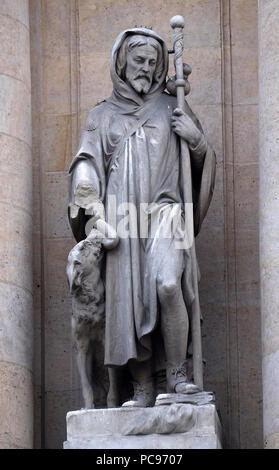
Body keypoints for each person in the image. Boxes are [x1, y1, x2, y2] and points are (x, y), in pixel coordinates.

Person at [68, 27, 216, 407]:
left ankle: (179, 375)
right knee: (127, 305)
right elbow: (86, 164)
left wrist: (196, 141)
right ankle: (143, 388)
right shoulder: (100, 116)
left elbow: (202, 161)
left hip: (167, 213)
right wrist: (95, 214)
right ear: (122, 61)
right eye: (139, 60)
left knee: (168, 284)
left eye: (153, 62)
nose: (146, 69)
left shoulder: (173, 106)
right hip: (123, 219)